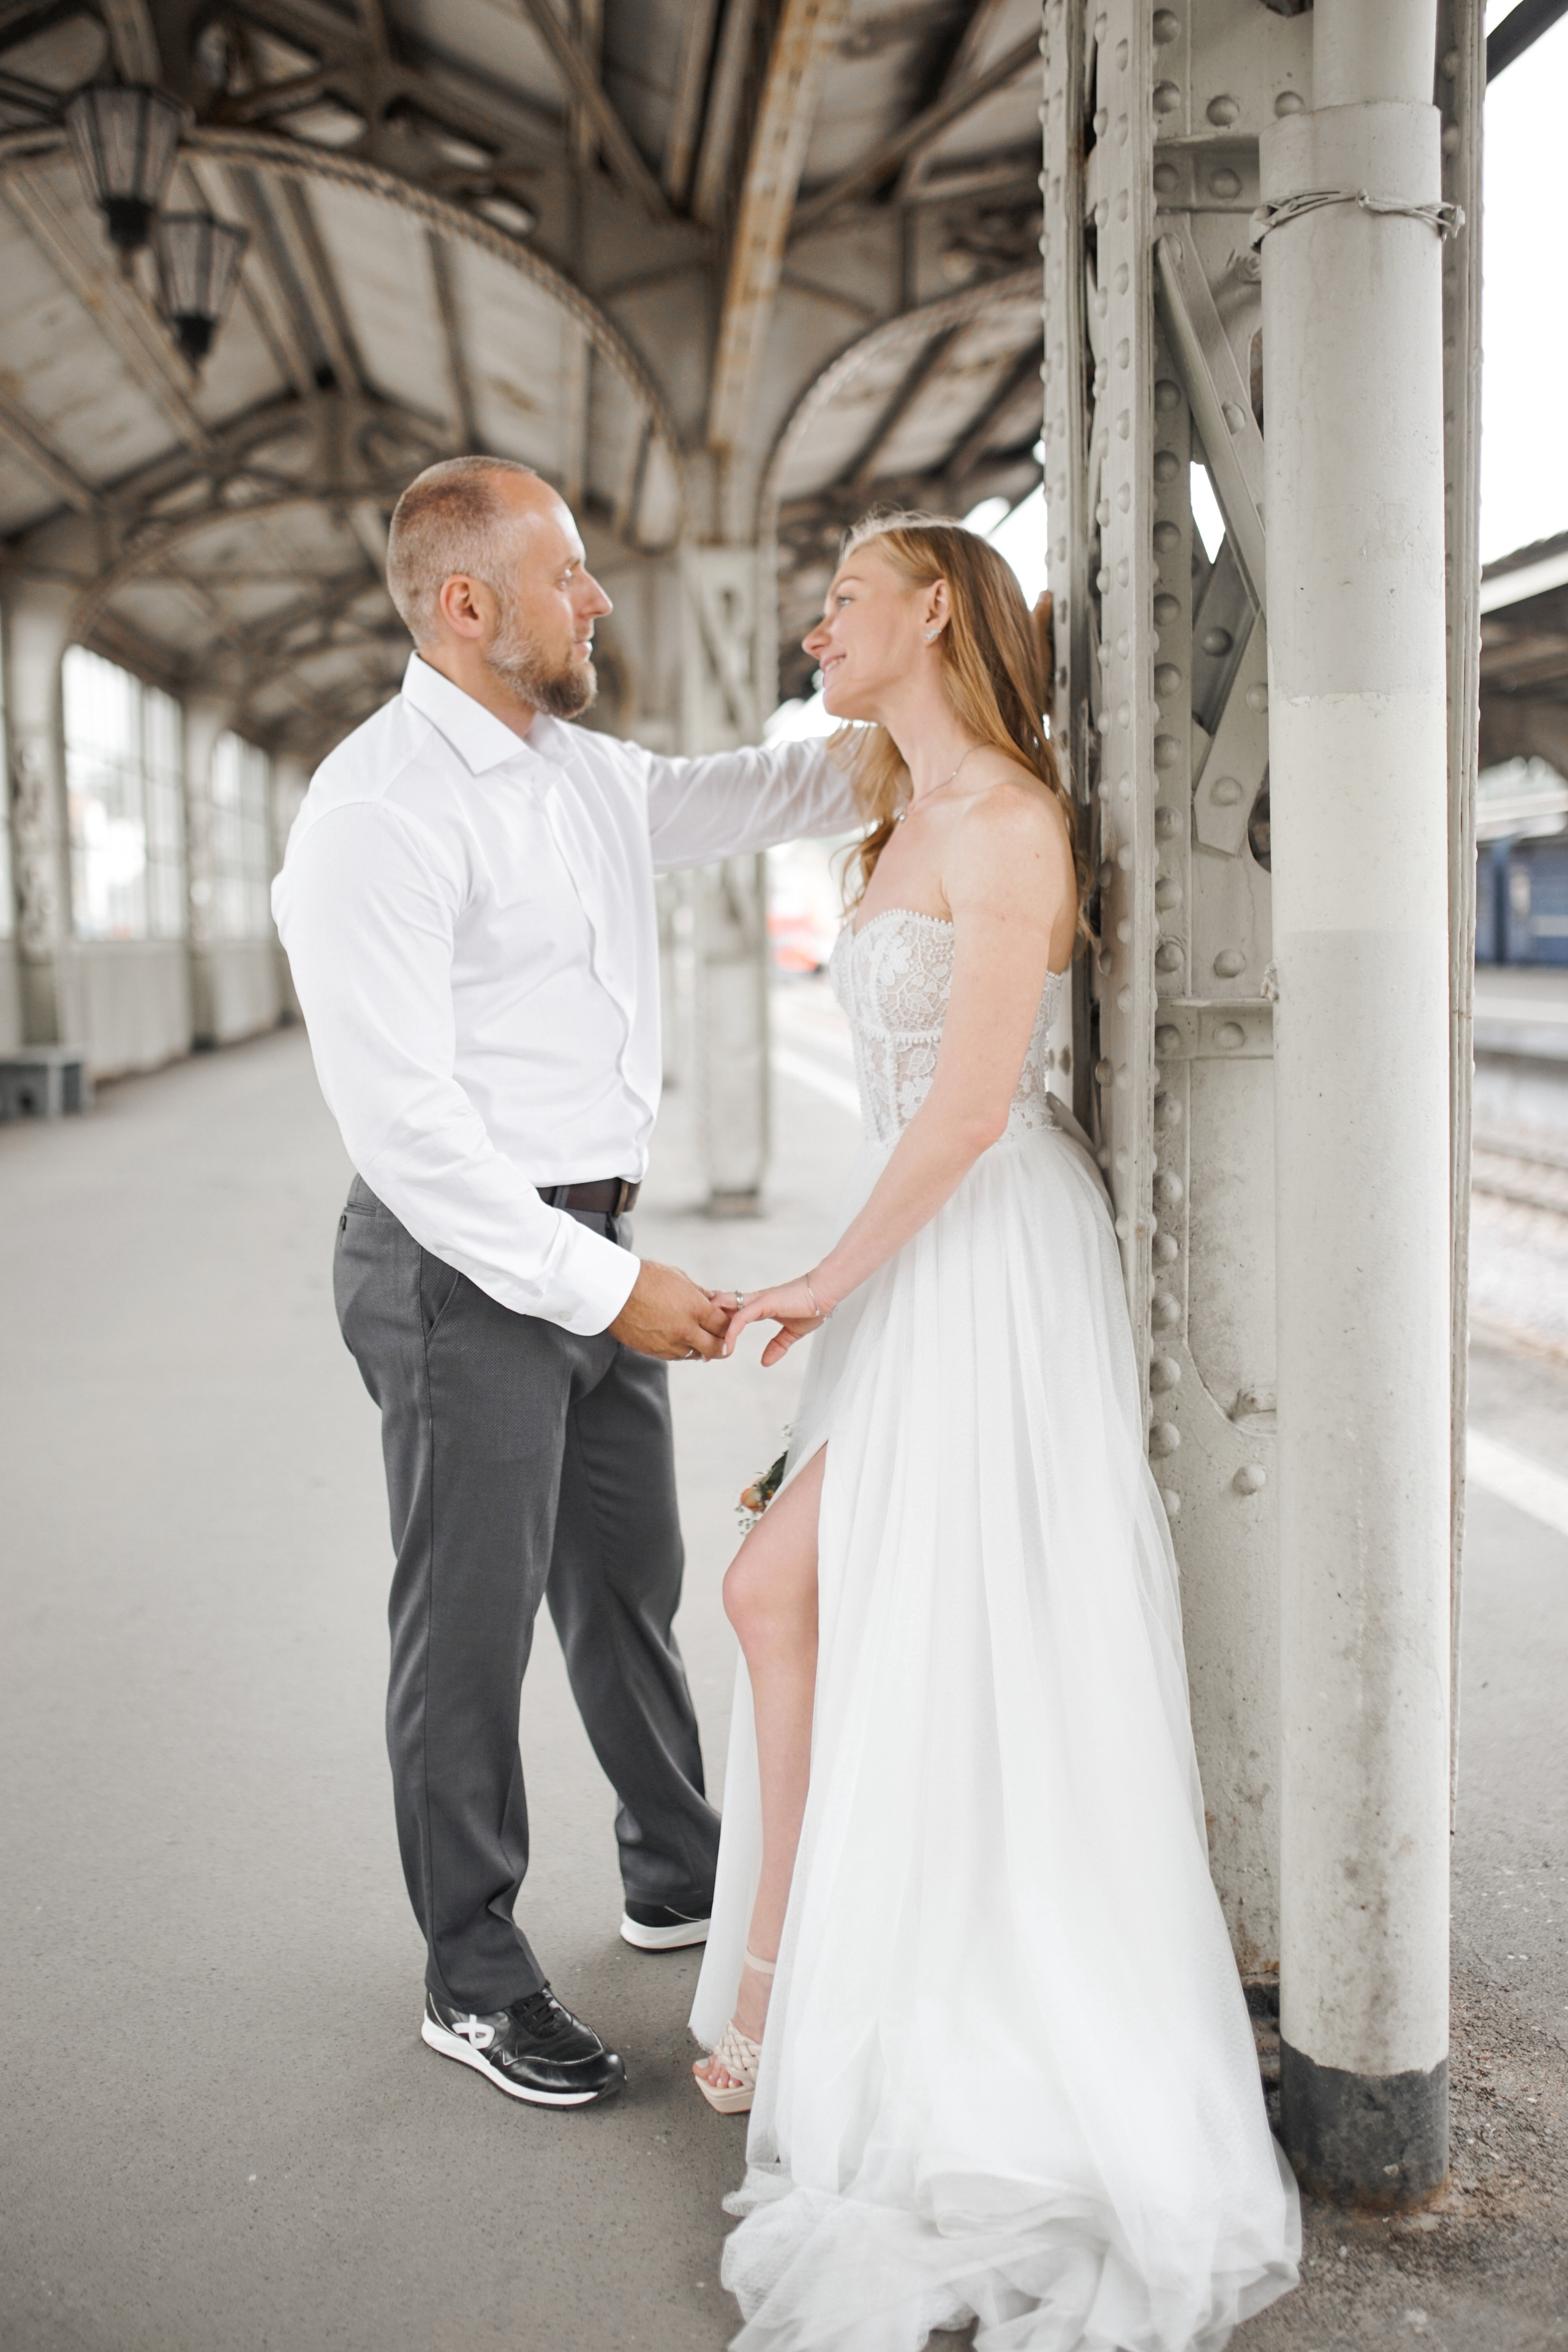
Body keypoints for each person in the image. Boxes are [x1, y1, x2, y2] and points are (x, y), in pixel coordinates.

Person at [689, 515, 1301, 2348]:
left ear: (936, 611)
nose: (819, 626)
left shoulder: (1015, 826)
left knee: (780, 1590)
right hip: (917, 1263)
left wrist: (813, 1284)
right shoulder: (892, 815)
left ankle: (802, 1984)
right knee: (794, 1595)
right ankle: (802, 1981)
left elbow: (961, 1118)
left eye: (845, 600)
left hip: (975, 1257)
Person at [272, 456, 858, 2110]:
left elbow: (755, 791)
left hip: (585, 1244)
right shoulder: (376, 811)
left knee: (628, 1582)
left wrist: (942, 712)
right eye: (570, 577)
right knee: (469, 1626)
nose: (595, 600)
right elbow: (409, 1135)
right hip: (465, 1265)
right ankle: (472, 1970)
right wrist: (602, 1290)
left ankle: (677, 1869)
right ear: (471, 606)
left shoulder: (579, 771)